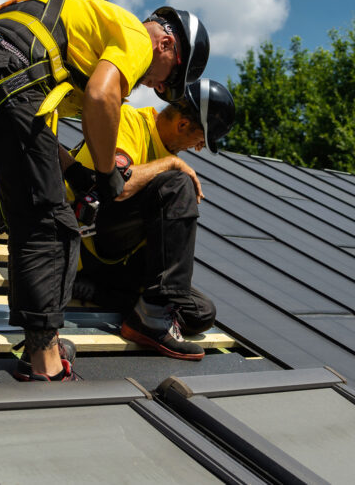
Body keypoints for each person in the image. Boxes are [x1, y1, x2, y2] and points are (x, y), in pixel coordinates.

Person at [0, 0, 210, 381]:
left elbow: (40, 129)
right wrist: (107, 174)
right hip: (4, 79)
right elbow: (102, 96)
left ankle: (44, 343)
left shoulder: (73, 36)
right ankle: (45, 365)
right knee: (51, 226)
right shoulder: (138, 37)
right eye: (167, 81)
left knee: (26, 219)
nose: (155, 87)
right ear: (168, 47)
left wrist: (73, 169)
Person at [65, 78, 235, 361]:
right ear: (182, 125)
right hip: (84, 238)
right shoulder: (128, 121)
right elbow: (114, 187)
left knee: (200, 313)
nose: (197, 149)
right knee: (178, 183)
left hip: (117, 262)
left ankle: (102, 292)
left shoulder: (166, 154)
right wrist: (169, 164)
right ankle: (152, 317)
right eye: (200, 140)